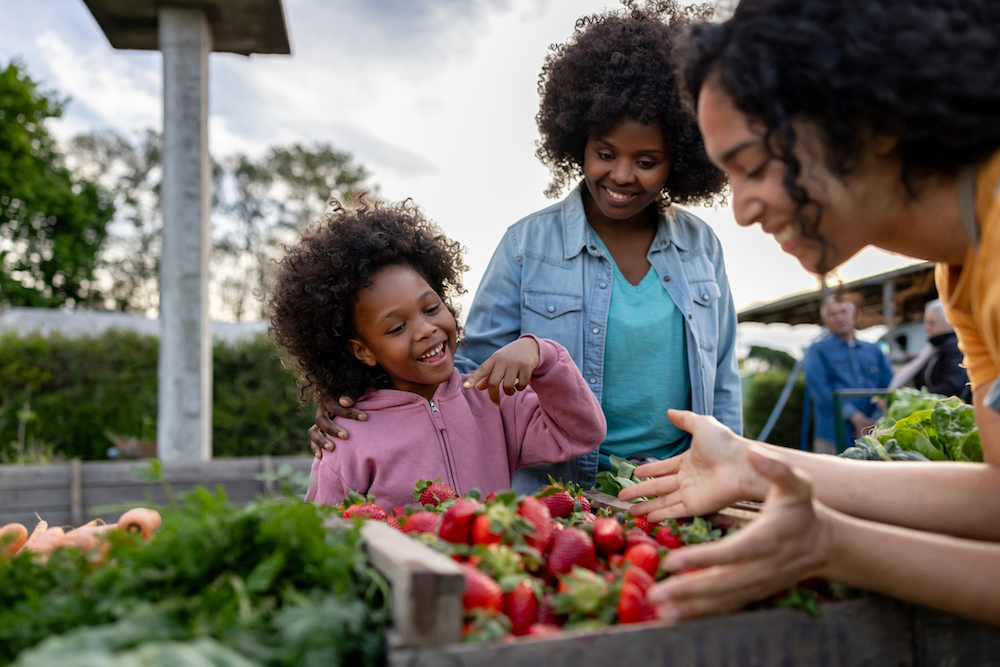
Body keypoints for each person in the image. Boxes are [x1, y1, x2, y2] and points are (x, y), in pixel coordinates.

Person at [618, 0, 1000, 626]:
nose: (742, 210)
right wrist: (751, 464)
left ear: (868, 118)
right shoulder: (960, 272)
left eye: (754, 166)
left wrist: (832, 546)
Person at [310, 0, 742, 495]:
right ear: (578, 142)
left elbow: (722, 378)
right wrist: (358, 399)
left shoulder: (701, 247)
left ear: (681, 159)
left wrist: (732, 466)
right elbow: (464, 376)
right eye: (605, 153)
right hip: (563, 490)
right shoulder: (526, 246)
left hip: (681, 481)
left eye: (647, 161)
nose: (622, 175)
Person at [266, 199, 606, 509]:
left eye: (430, 308)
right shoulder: (347, 438)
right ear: (363, 351)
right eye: (397, 328)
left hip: (494, 558)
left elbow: (582, 434)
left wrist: (543, 354)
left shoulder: (493, 399)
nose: (426, 329)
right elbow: (326, 532)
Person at [804, 292, 893, 454]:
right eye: (832, 314)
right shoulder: (818, 350)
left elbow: (887, 386)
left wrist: (874, 419)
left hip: (873, 434)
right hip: (833, 435)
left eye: (843, 312)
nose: (839, 318)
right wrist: (855, 417)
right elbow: (821, 390)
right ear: (825, 320)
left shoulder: (873, 350)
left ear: (855, 315)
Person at [890, 299, 971, 402]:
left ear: (949, 323)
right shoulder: (935, 348)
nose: (926, 328)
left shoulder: (954, 347)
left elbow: (955, 385)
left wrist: (921, 399)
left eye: (932, 323)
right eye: (926, 323)